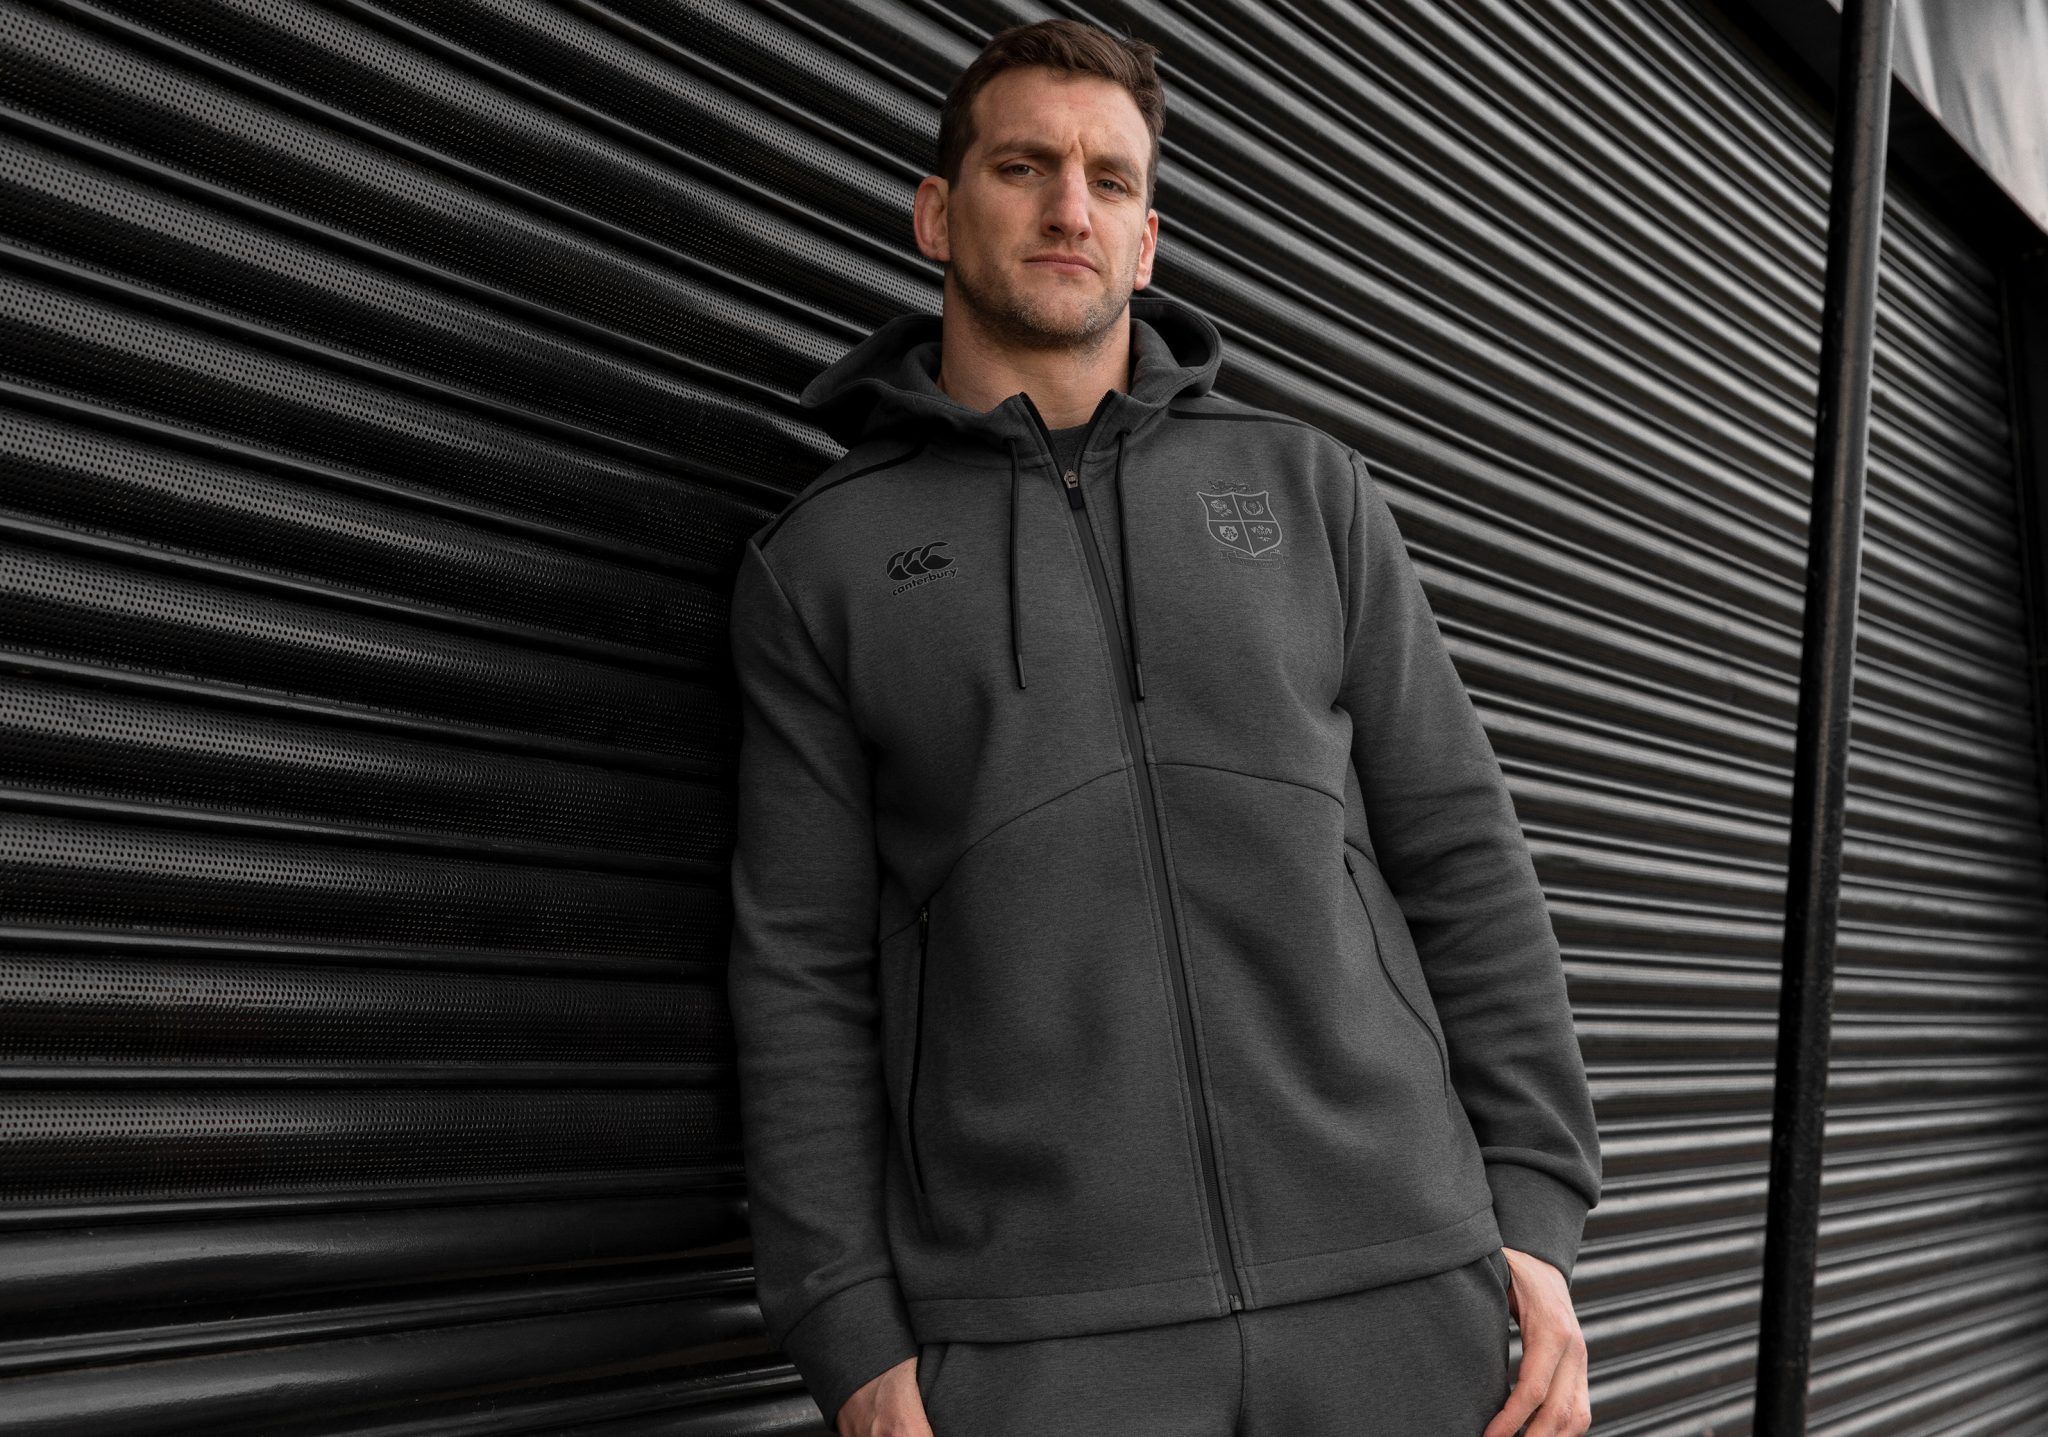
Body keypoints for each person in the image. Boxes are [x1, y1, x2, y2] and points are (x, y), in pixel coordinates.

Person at [725, 17, 1600, 1437]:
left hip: (1400, 1291)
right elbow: (799, 970)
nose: (1070, 207)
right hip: (1039, 1337)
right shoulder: (823, 564)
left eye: (1111, 180)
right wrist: (852, 1335)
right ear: (938, 213)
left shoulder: (1308, 492)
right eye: (1025, 166)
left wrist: (1538, 1219)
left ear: (1146, 242)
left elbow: (1462, 853)